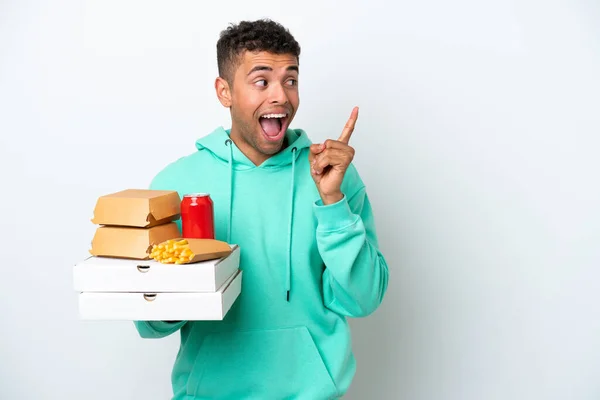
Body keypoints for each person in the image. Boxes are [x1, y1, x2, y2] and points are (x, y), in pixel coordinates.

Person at [134, 19, 389, 400]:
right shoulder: (178, 183)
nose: (281, 96)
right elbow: (150, 322)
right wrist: (176, 290)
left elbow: (364, 298)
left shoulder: (331, 176)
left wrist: (333, 202)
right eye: (261, 81)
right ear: (225, 92)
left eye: (291, 80)